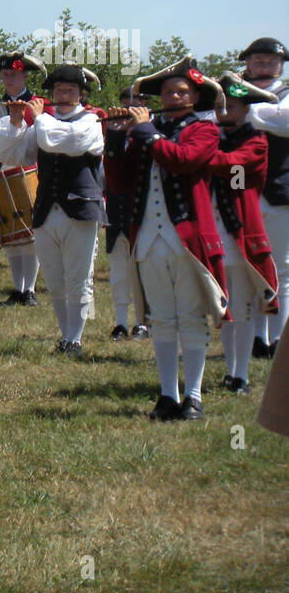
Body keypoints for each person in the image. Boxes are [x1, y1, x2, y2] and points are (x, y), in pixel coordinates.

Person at [103, 57, 228, 421]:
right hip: (149, 241)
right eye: (168, 91)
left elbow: (183, 160)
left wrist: (144, 133)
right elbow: (120, 183)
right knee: (162, 320)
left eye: (181, 91)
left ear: (193, 96)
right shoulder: (146, 130)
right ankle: (166, 395)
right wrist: (114, 137)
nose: (173, 95)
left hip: (187, 241)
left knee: (190, 318)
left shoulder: (204, 130)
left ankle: (193, 396)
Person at [0, 65, 105, 357]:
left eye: (70, 91)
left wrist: (39, 117)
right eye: (58, 91)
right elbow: (15, 155)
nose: (64, 96)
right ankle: (65, 335)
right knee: (55, 279)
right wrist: (16, 124)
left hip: (80, 209)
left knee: (79, 277)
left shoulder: (90, 121)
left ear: (81, 94)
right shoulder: (43, 122)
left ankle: (75, 339)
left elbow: (67, 142)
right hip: (46, 208)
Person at [208, 72, 279, 394]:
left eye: (231, 108)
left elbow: (235, 168)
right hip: (211, 233)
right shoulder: (210, 136)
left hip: (239, 234)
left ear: (246, 109)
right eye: (220, 107)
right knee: (223, 307)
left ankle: (241, 375)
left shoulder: (257, 141)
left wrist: (199, 155)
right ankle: (230, 370)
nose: (224, 114)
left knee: (242, 306)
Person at [0, 51, 51, 305]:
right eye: (4, 74)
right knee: (10, 233)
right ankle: (17, 287)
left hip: (32, 173)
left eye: (13, 74)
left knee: (30, 234)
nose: (7, 79)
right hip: (2, 172)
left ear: (24, 75)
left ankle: (29, 289)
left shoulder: (39, 105)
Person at [240, 37, 289, 359]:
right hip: (242, 188)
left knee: (282, 270)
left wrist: (246, 109)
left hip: (280, 189)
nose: (265, 67)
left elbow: (284, 122)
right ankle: (258, 337)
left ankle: (279, 340)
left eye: (272, 62)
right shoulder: (233, 91)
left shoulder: (285, 92)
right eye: (258, 62)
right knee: (250, 268)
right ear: (248, 63)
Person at [105, 88, 151, 341]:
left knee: (143, 270)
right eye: (125, 104)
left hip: (143, 212)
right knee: (118, 269)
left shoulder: (152, 135)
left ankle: (143, 321)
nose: (129, 109)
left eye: (137, 103)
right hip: (115, 210)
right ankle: (120, 322)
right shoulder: (113, 134)